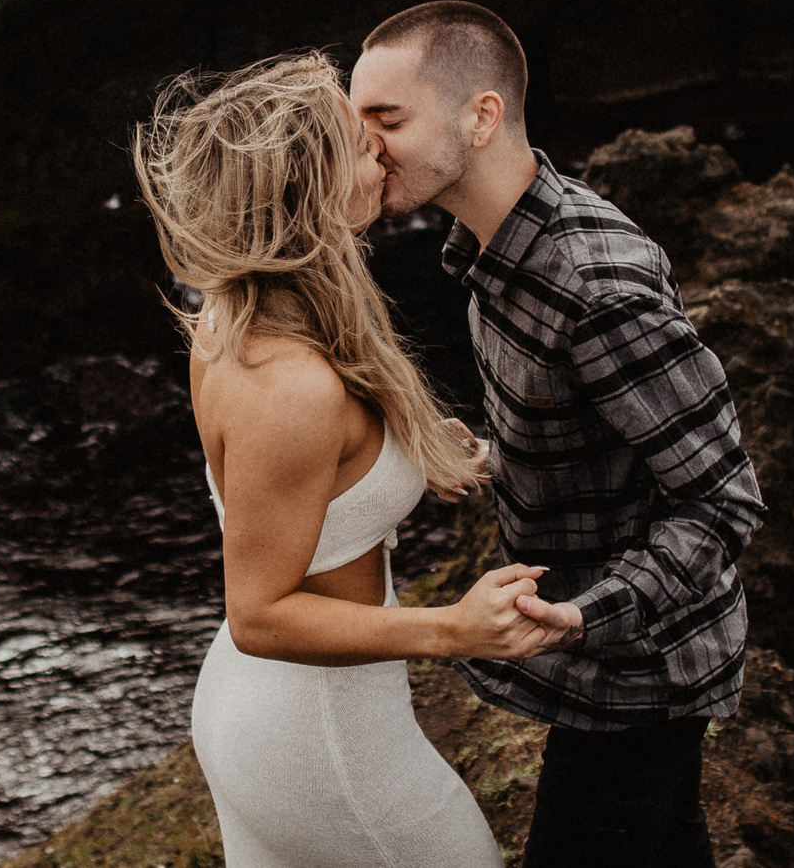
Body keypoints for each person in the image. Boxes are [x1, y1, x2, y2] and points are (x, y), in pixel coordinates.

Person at [349, 1, 766, 868]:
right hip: (609, 658)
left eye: (386, 119)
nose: (364, 146)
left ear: (482, 114)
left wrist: (580, 615)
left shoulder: (591, 288)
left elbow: (723, 502)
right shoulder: (489, 252)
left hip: (643, 666)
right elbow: (606, 434)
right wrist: (491, 458)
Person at [132, 51, 566, 868]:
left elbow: (312, 479)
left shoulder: (238, 310)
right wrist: (455, 628)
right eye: (359, 143)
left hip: (261, 712)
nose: (381, 150)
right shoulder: (289, 386)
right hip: (323, 741)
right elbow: (260, 611)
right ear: (315, 190)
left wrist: (415, 451)